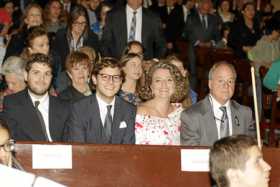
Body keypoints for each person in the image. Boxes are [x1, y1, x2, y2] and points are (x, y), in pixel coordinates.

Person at [180, 62, 255, 146]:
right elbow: (191, 155)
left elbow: (250, 151)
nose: (226, 85)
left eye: (230, 81)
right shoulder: (191, 116)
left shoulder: (245, 114)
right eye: (220, 81)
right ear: (210, 84)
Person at [65, 57, 136, 144]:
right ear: (94, 79)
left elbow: (129, 148)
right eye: (105, 77)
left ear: (121, 81)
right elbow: (78, 149)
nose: (111, 82)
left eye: (116, 77)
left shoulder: (129, 110)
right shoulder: (79, 109)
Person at [2, 53, 70, 142]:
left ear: (51, 77)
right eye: (36, 73)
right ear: (26, 76)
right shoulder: (12, 103)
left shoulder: (64, 107)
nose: (42, 79)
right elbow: (14, 142)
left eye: (47, 73)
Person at [135, 61, 186, 145]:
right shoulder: (139, 114)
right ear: (151, 85)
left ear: (175, 84)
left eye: (169, 80)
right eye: (158, 80)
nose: (164, 85)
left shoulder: (181, 113)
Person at [101, 0, 166, 60]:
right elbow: (105, 43)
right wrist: (113, 63)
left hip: (144, 65)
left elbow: (161, 45)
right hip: (119, 64)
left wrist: (154, 61)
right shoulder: (113, 16)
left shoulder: (153, 18)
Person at [183, 0, 221, 89]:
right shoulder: (191, 17)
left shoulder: (213, 19)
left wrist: (211, 42)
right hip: (194, 49)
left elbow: (217, 36)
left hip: (209, 51)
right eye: (204, 3)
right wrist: (198, 42)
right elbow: (186, 33)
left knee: (211, 73)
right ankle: (193, 94)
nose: (206, 6)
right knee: (193, 73)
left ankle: (206, 92)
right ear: (199, 5)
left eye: (208, 4)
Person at [53, 4, 100, 70]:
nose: (80, 27)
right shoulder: (61, 35)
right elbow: (56, 61)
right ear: (70, 22)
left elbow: (94, 62)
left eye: (83, 23)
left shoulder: (92, 38)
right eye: (76, 23)